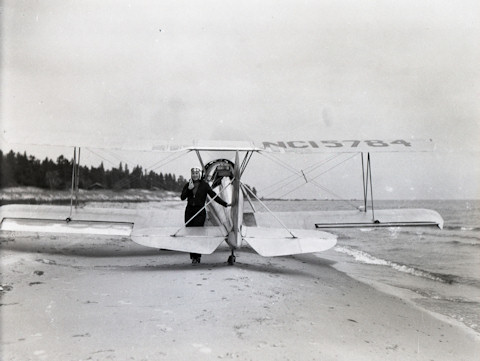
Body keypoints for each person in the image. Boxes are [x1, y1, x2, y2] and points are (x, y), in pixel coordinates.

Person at [180, 167, 230, 264]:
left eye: (196, 173)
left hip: (200, 211)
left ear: (200, 174)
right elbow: (182, 197)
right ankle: (193, 256)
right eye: (193, 173)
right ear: (191, 174)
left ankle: (197, 256)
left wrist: (225, 204)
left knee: (198, 234)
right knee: (190, 234)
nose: (195, 175)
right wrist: (189, 190)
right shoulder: (188, 184)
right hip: (189, 211)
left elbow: (213, 196)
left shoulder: (204, 185)